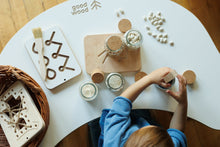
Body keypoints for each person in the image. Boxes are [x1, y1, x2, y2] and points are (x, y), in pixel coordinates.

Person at [98, 67, 187, 147]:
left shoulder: (113, 141)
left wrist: (150, 78)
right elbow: (176, 131)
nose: (150, 125)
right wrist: (182, 103)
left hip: (112, 130)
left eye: (148, 127)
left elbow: (121, 102)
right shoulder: (167, 144)